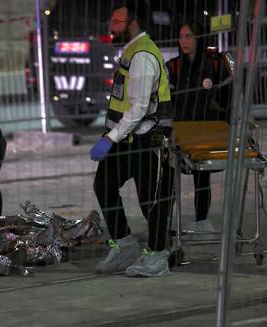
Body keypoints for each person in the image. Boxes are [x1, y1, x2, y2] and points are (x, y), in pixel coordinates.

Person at [90, 0, 173, 274]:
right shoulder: (131, 52)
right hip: (126, 137)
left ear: (132, 24)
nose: (110, 26)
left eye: (116, 22)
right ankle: (125, 246)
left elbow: (138, 109)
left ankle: (159, 256)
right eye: (111, 21)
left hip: (145, 139)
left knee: (151, 200)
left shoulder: (143, 56)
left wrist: (109, 139)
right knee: (104, 185)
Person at [166, 20, 234, 237]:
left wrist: (220, 122)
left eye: (189, 36)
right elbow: (169, 101)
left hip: (205, 134)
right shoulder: (174, 66)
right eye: (181, 36)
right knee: (168, 174)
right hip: (181, 133)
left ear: (199, 38)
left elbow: (227, 97)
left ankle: (202, 220)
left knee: (202, 177)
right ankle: (166, 221)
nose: (183, 41)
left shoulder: (214, 64)